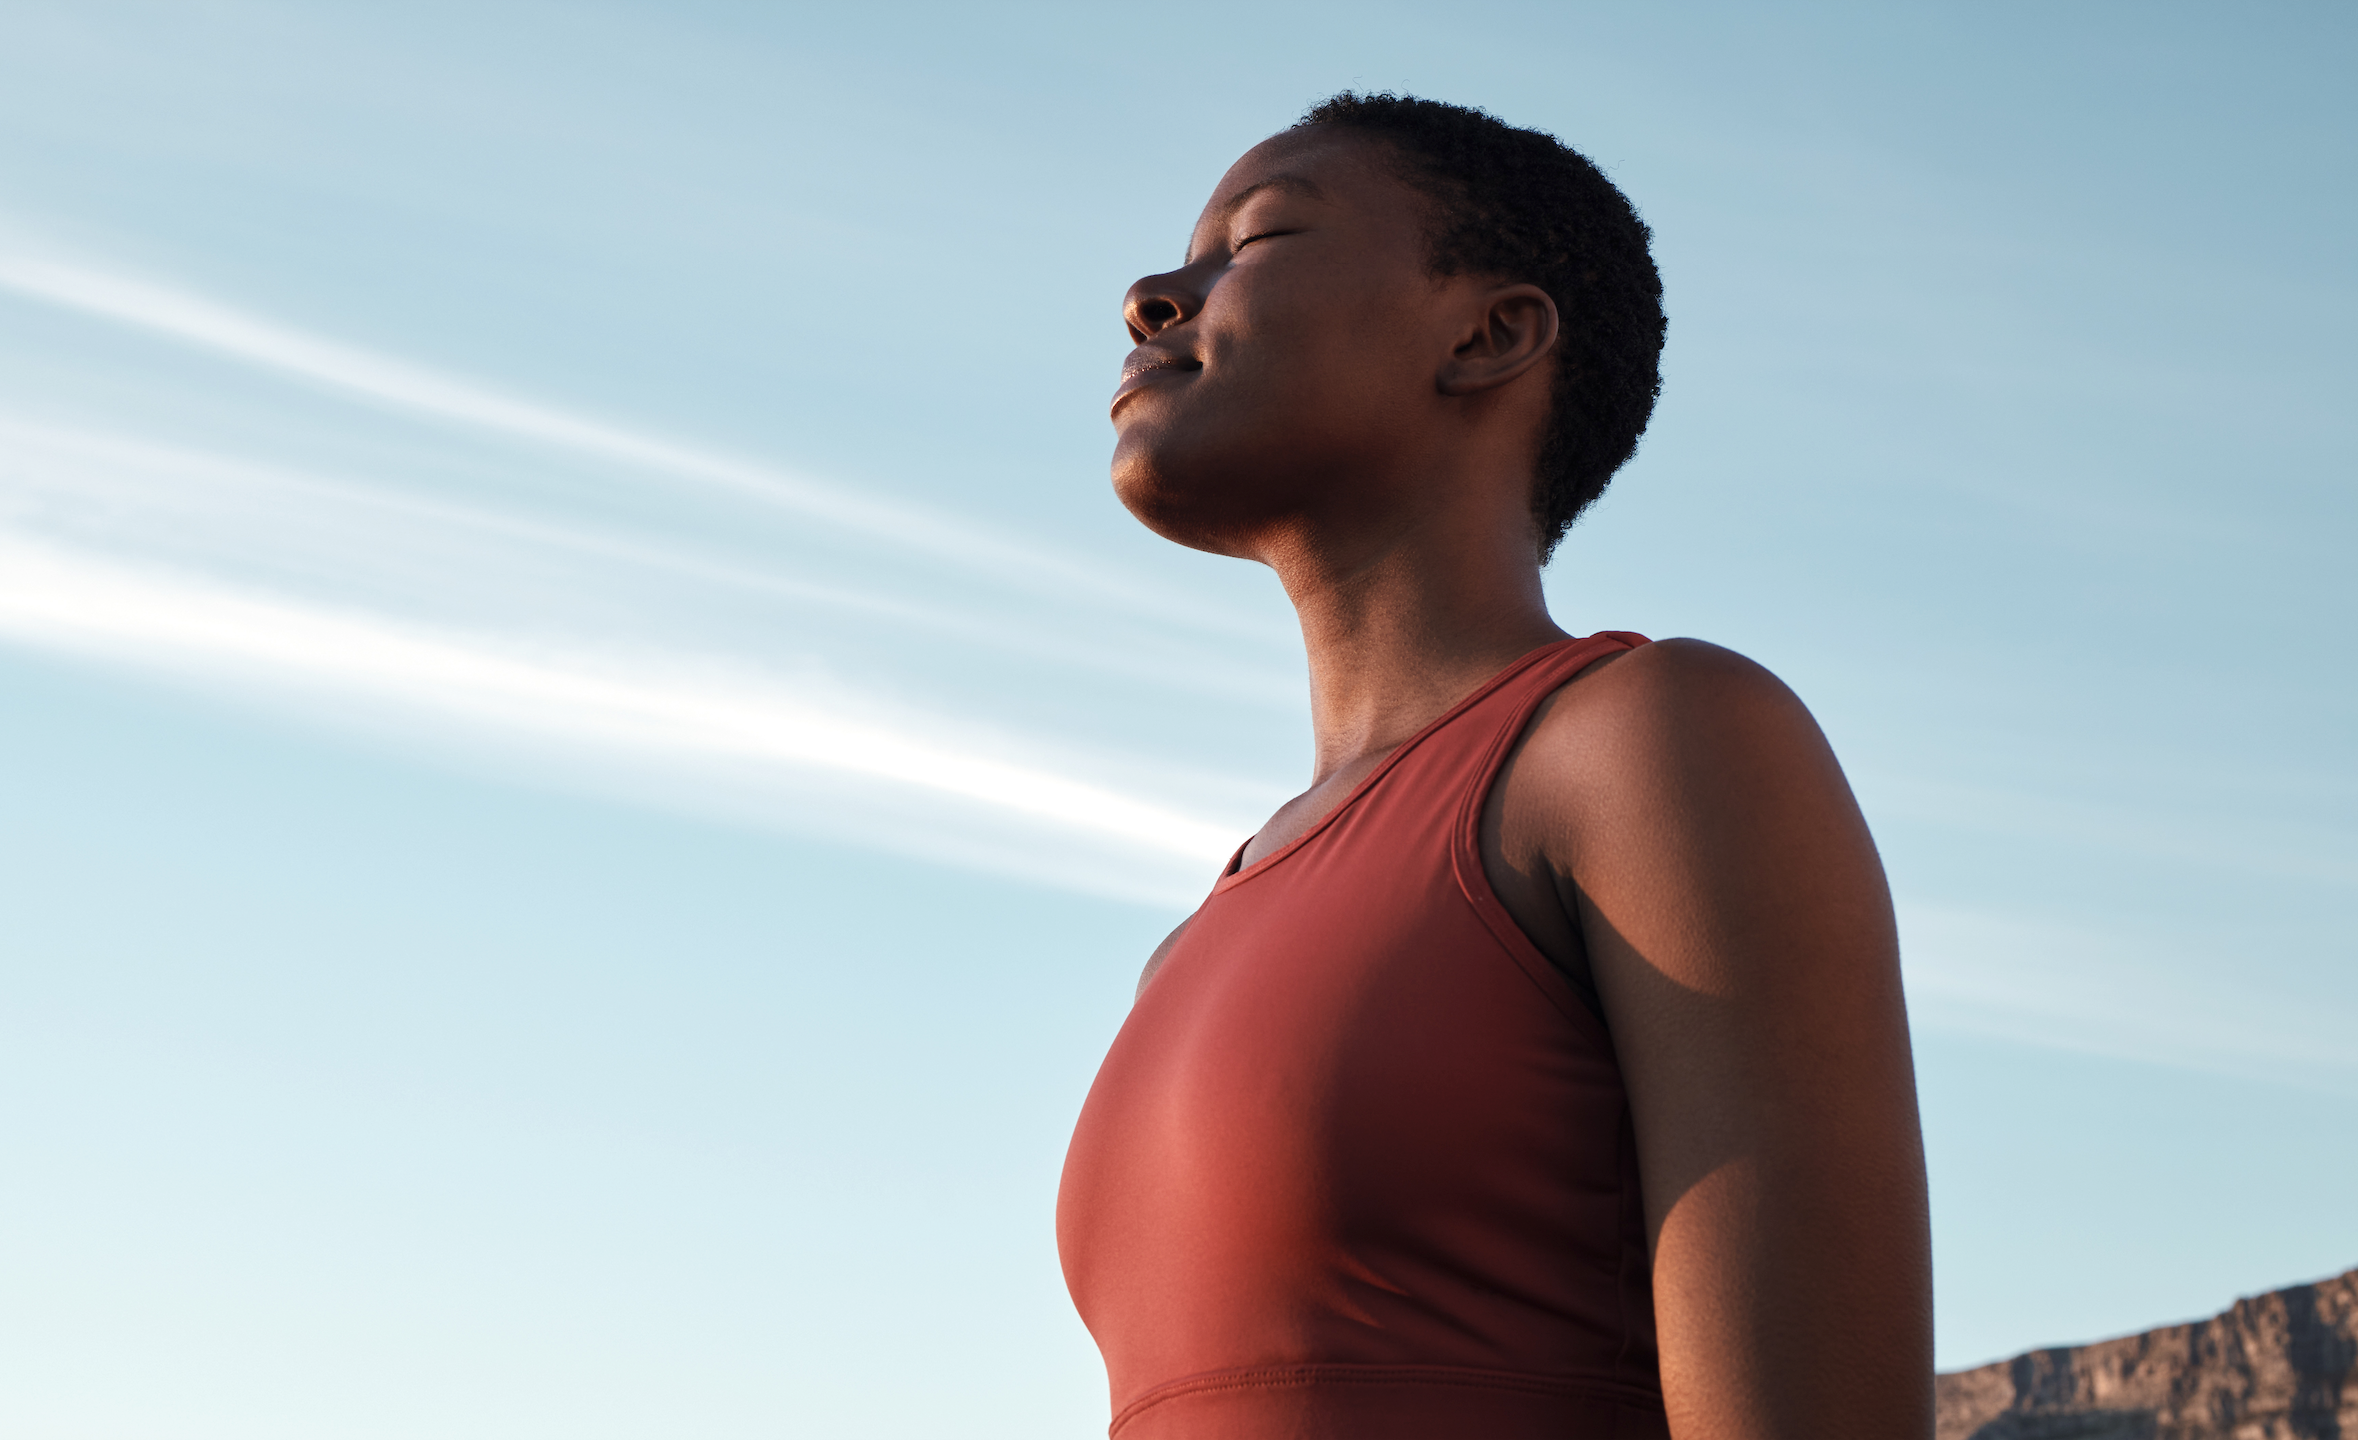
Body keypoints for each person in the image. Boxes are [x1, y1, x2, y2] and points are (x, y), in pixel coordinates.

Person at [1055, 93, 1932, 1440]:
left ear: (1487, 334)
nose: (1152, 296)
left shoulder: (1650, 742)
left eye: (1259, 236)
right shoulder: (1189, 943)